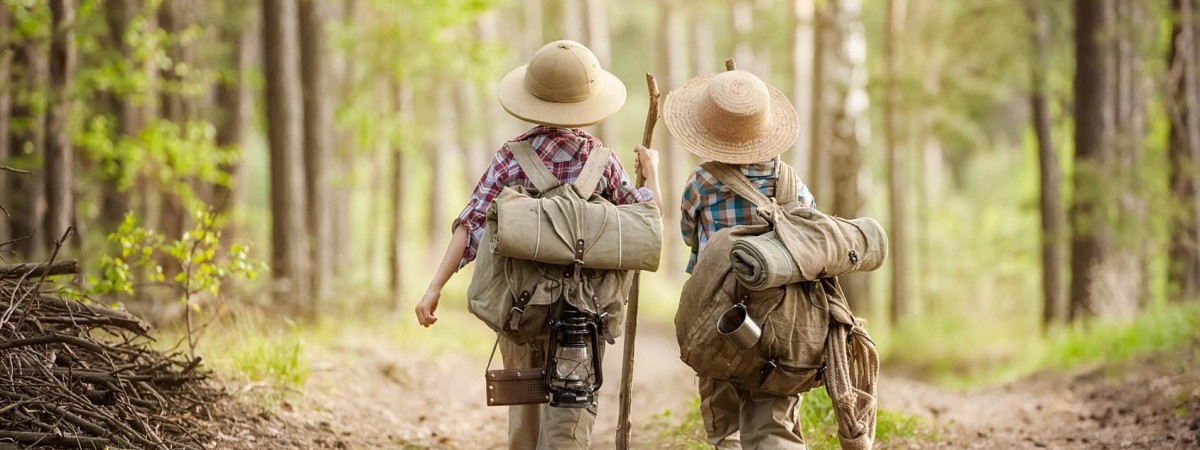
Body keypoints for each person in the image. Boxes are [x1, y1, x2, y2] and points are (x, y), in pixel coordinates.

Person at [415, 40, 662, 449]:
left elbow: (470, 224)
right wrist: (651, 172)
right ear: (588, 101)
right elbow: (649, 225)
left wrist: (435, 286)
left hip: (521, 311)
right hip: (585, 314)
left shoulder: (511, 158)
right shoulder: (604, 163)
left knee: (524, 422)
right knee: (570, 419)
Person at [664, 69, 815, 449]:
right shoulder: (790, 181)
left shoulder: (701, 182)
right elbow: (809, 229)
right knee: (775, 415)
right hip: (781, 315)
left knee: (724, 415)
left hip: (719, 315)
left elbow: (688, 235)